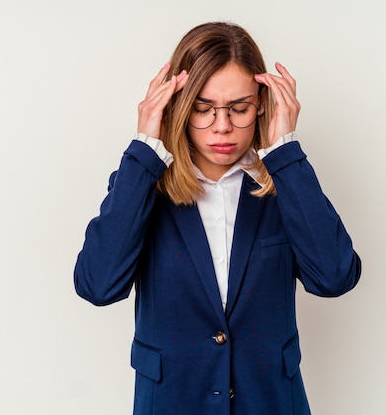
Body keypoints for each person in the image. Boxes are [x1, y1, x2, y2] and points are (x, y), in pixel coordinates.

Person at [74, 21, 361, 415]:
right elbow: (97, 286)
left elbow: (335, 278)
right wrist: (144, 148)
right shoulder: (144, 186)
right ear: (176, 106)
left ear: (262, 103)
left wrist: (286, 153)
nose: (222, 126)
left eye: (239, 108)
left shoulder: (284, 186)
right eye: (203, 109)